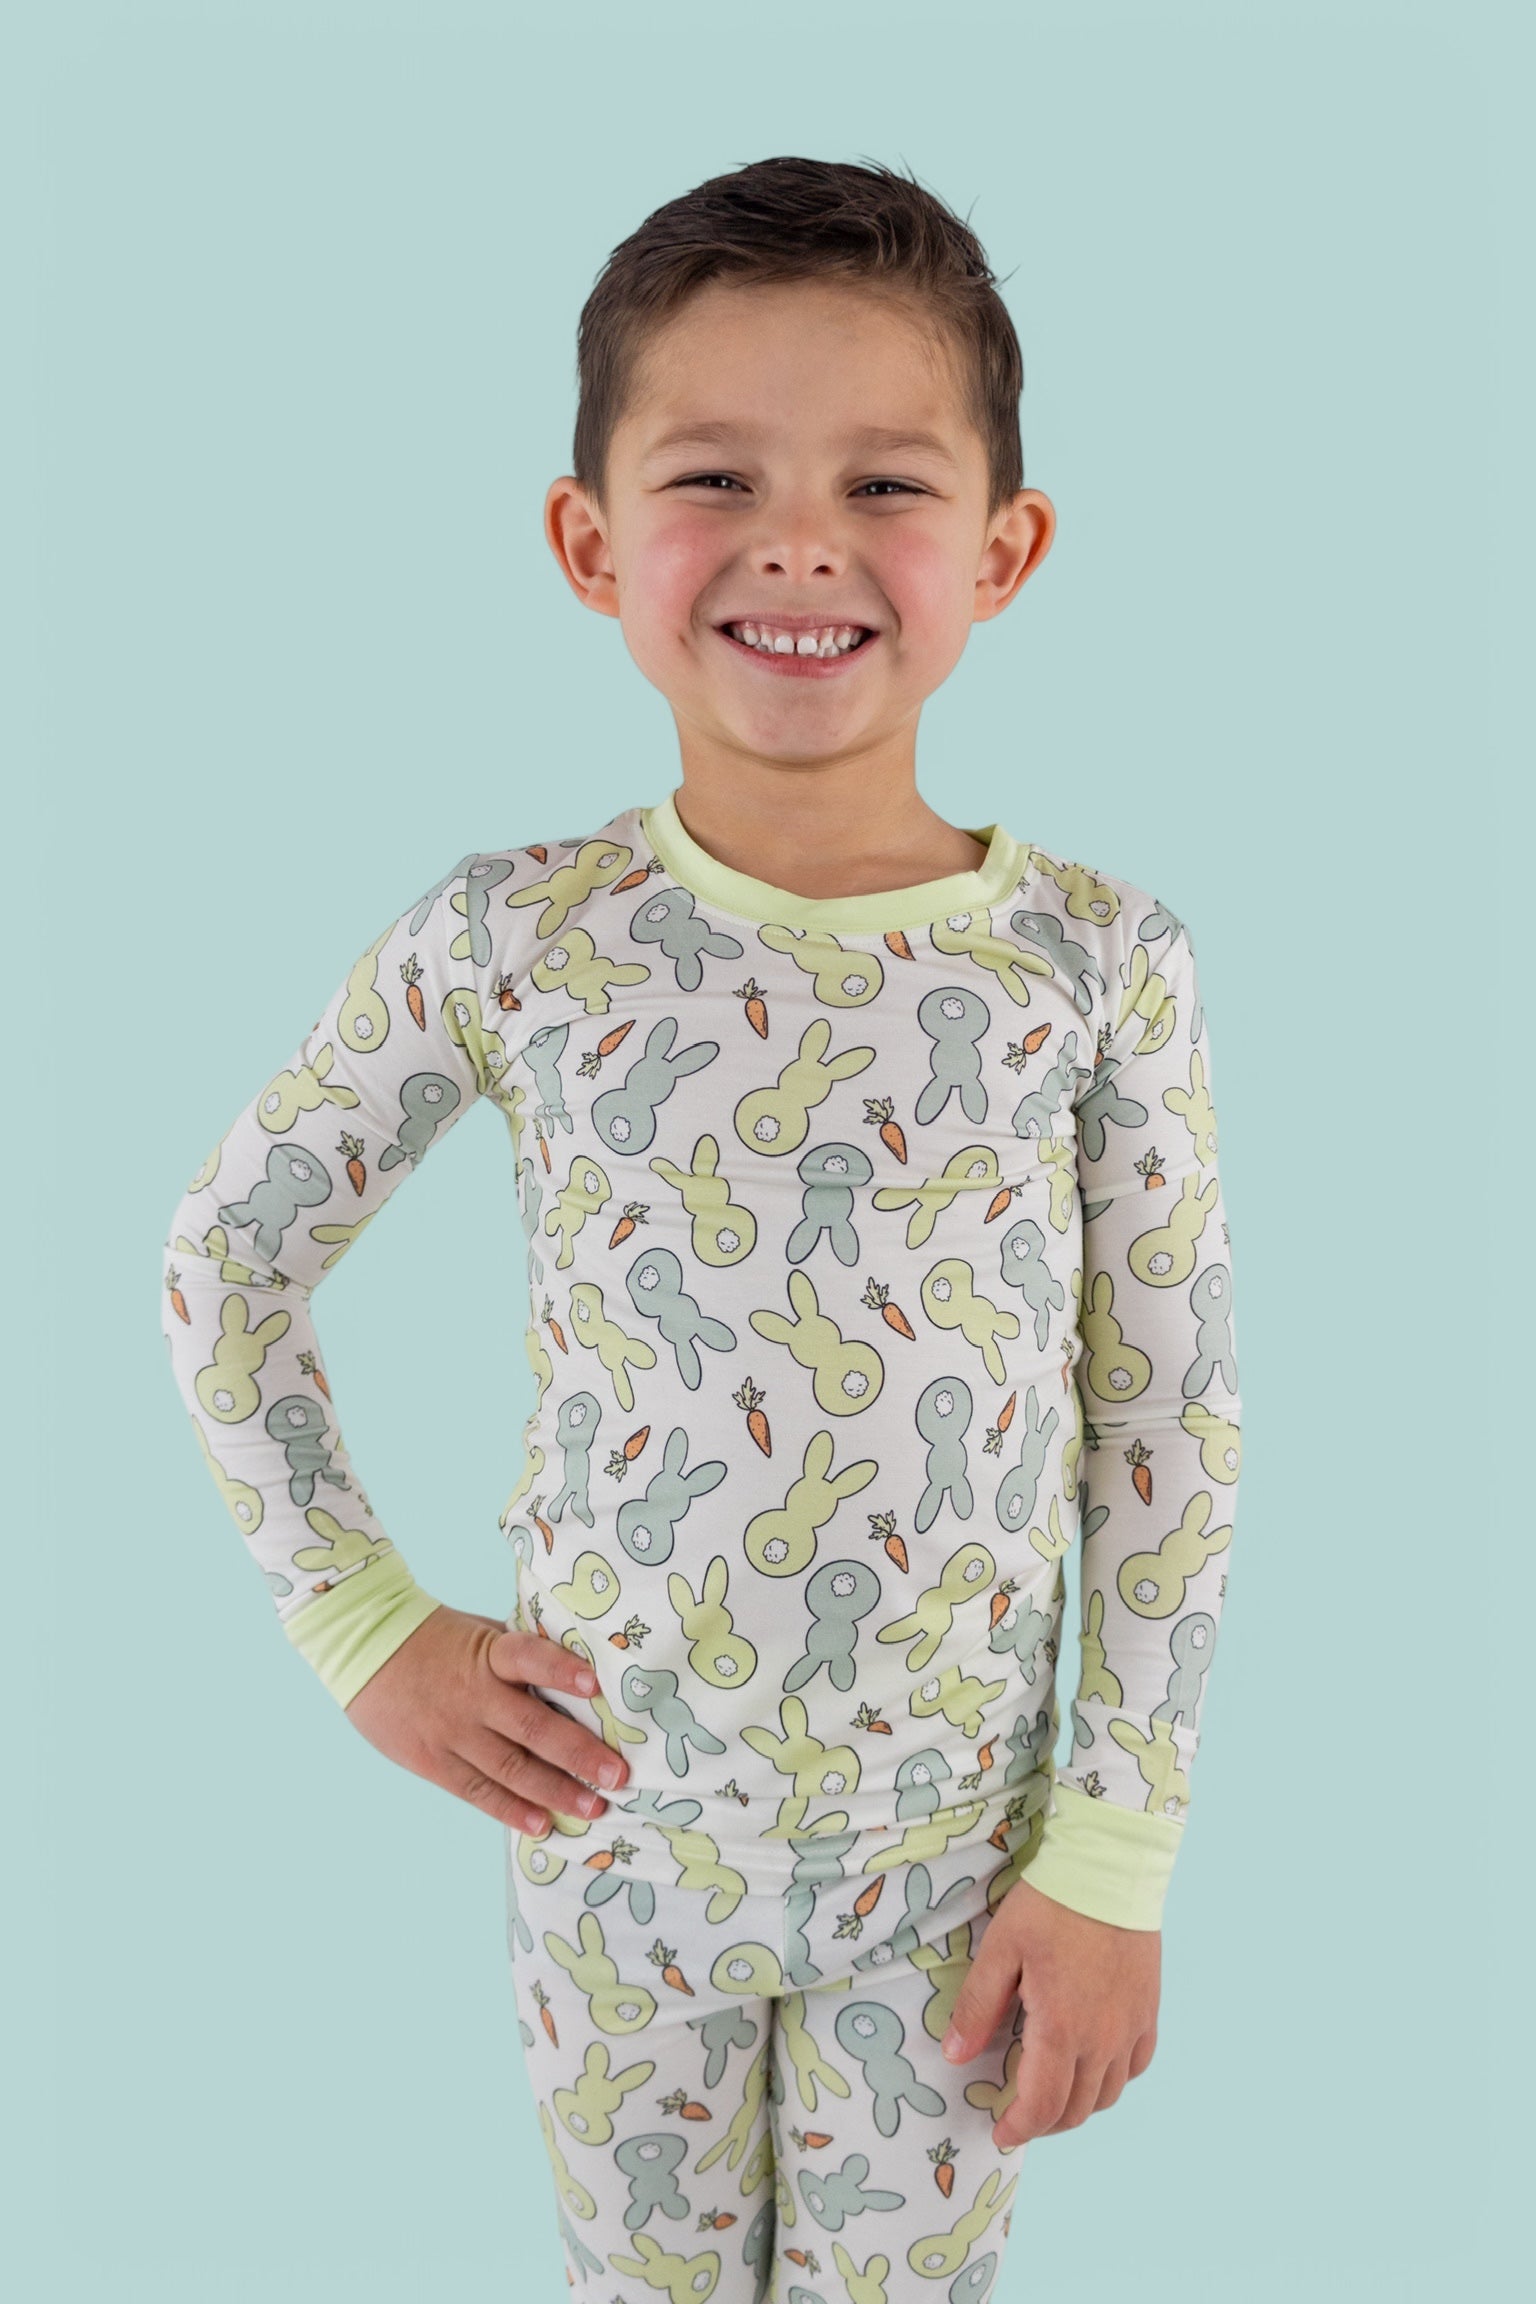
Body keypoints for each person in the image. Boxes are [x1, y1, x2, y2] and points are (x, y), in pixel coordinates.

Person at [159, 154, 1242, 2303]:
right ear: (592, 542)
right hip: (615, 1855)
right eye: (717, 475)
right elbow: (226, 1266)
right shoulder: (515, 936)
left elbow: (1166, 1426)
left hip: (959, 1874)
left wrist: (1117, 1856)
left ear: (1004, 549)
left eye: (885, 483)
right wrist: (363, 1628)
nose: (800, 541)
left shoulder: (1098, 961)